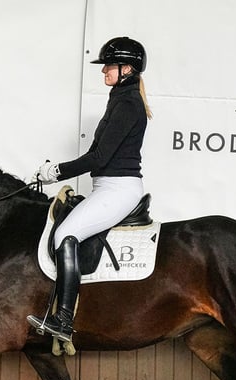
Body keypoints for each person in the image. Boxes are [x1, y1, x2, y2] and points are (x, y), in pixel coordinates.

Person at [27, 36, 152, 343]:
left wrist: (56, 171)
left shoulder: (128, 104)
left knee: (65, 235)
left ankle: (64, 321)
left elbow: (99, 157)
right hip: (107, 187)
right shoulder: (119, 99)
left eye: (109, 65)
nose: (104, 71)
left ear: (127, 68)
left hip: (119, 189)